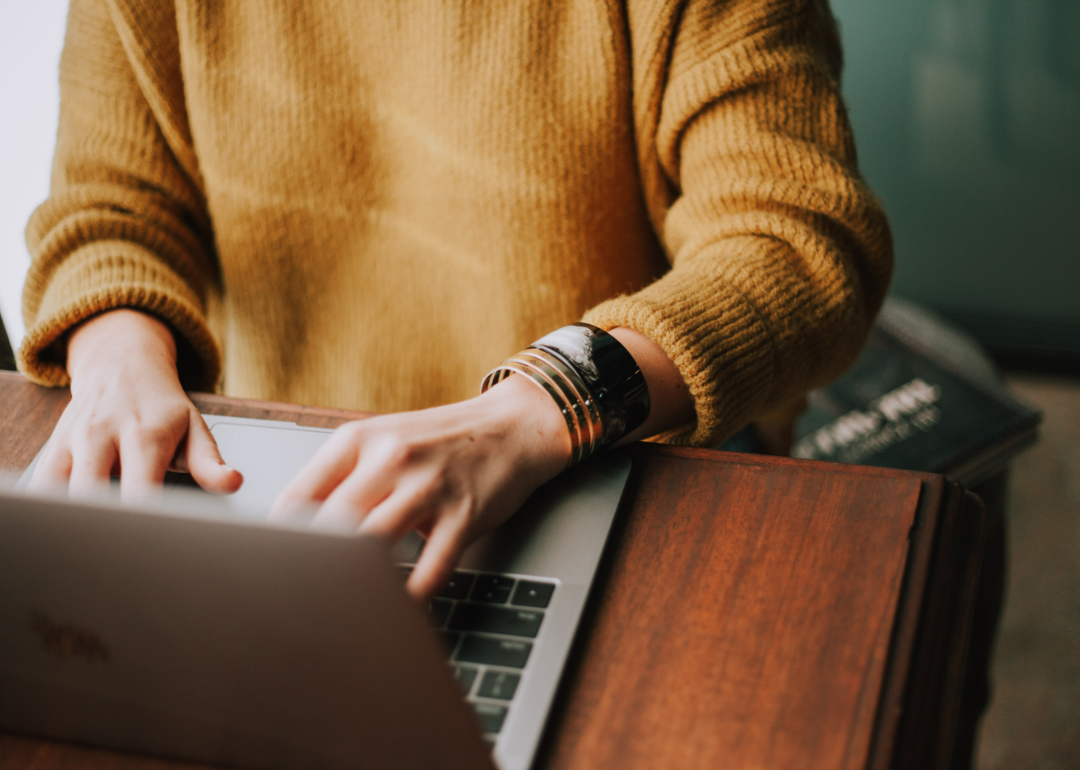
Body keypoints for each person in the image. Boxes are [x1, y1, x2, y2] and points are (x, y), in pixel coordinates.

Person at [17, 0, 893, 602]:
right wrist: (114, 351)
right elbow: (108, 208)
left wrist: (543, 406)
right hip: (286, 484)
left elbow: (799, 242)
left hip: (615, 456)